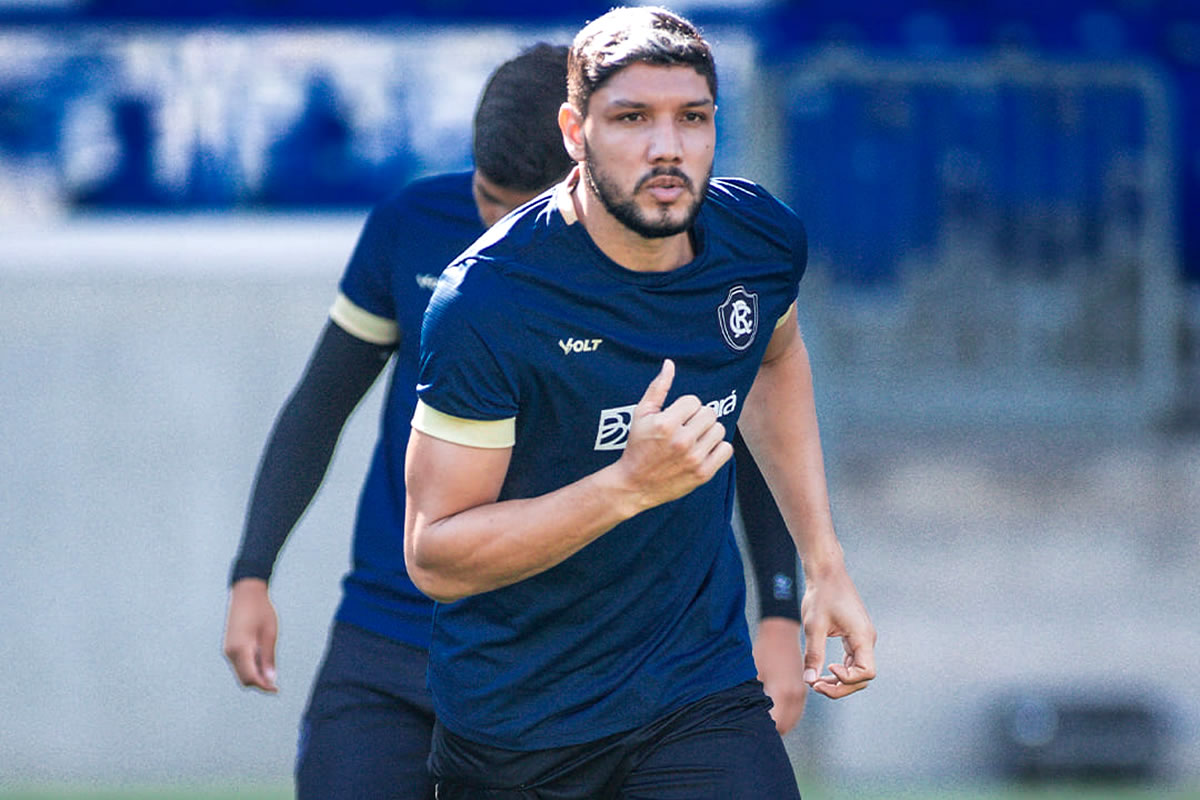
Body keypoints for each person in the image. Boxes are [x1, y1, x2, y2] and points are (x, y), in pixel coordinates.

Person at [222, 41, 808, 800]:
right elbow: (319, 404)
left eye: (515, 207)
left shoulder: (650, 261)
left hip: (578, 665)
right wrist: (253, 570)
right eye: (484, 197)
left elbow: (731, 423)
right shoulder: (417, 231)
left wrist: (780, 605)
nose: (494, 227)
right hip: (394, 634)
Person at [404, 8, 876, 798]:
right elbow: (437, 556)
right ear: (574, 131)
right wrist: (626, 487)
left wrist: (823, 563)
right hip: (518, 727)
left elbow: (773, 359)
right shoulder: (487, 302)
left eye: (692, 117)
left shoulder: (758, 241)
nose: (668, 147)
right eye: (632, 118)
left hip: (694, 692)